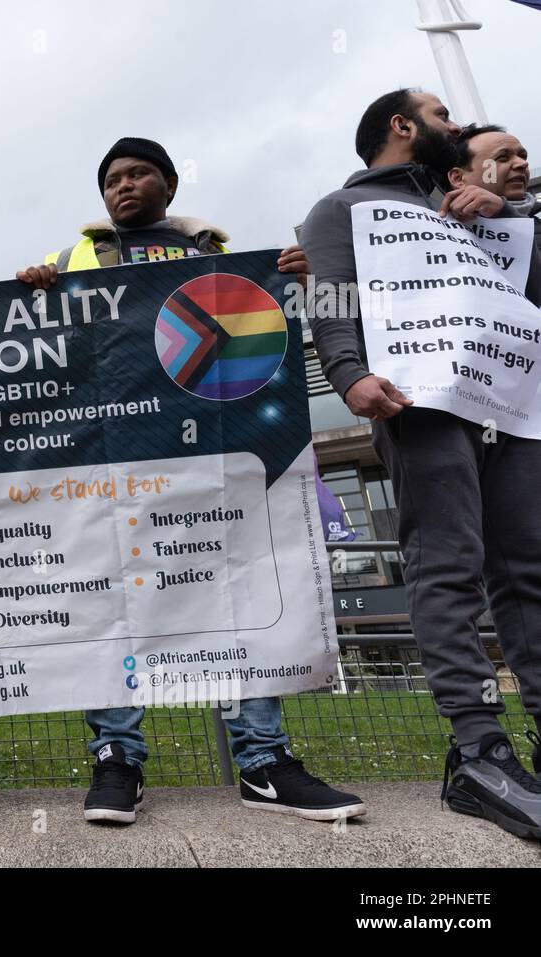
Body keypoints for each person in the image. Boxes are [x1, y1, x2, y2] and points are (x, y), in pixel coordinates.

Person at [18, 137, 366, 825]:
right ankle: (117, 758)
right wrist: (30, 291)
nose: (123, 185)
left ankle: (263, 761)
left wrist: (296, 280)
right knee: (112, 610)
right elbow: (35, 344)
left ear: (169, 185)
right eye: (112, 178)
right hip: (114, 463)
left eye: (138, 173)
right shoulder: (74, 261)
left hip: (214, 459)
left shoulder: (222, 260)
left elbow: (268, 335)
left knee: (237, 605)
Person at [300, 89, 541, 841]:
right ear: (403, 127)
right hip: (418, 403)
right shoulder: (340, 209)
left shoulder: (477, 206)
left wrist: (507, 219)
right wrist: (347, 374)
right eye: (442, 116)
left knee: (530, 563)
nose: (458, 128)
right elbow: (332, 294)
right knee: (448, 560)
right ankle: (480, 748)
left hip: (510, 403)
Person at [450, 124, 538, 253]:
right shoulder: (441, 233)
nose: (523, 163)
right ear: (458, 178)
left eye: (522, 156)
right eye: (502, 158)